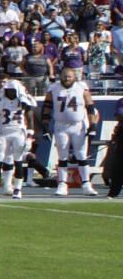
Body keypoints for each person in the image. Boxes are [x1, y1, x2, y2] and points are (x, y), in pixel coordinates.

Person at [46, 65, 98, 196]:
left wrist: (93, 125)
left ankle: (86, 184)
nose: (66, 79)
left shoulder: (81, 87)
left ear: (75, 77)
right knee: (62, 156)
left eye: (69, 76)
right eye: (64, 76)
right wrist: (45, 124)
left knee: (81, 154)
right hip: (60, 125)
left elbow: (90, 106)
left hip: (78, 125)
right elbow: (47, 106)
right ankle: (62, 184)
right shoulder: (54, 88)